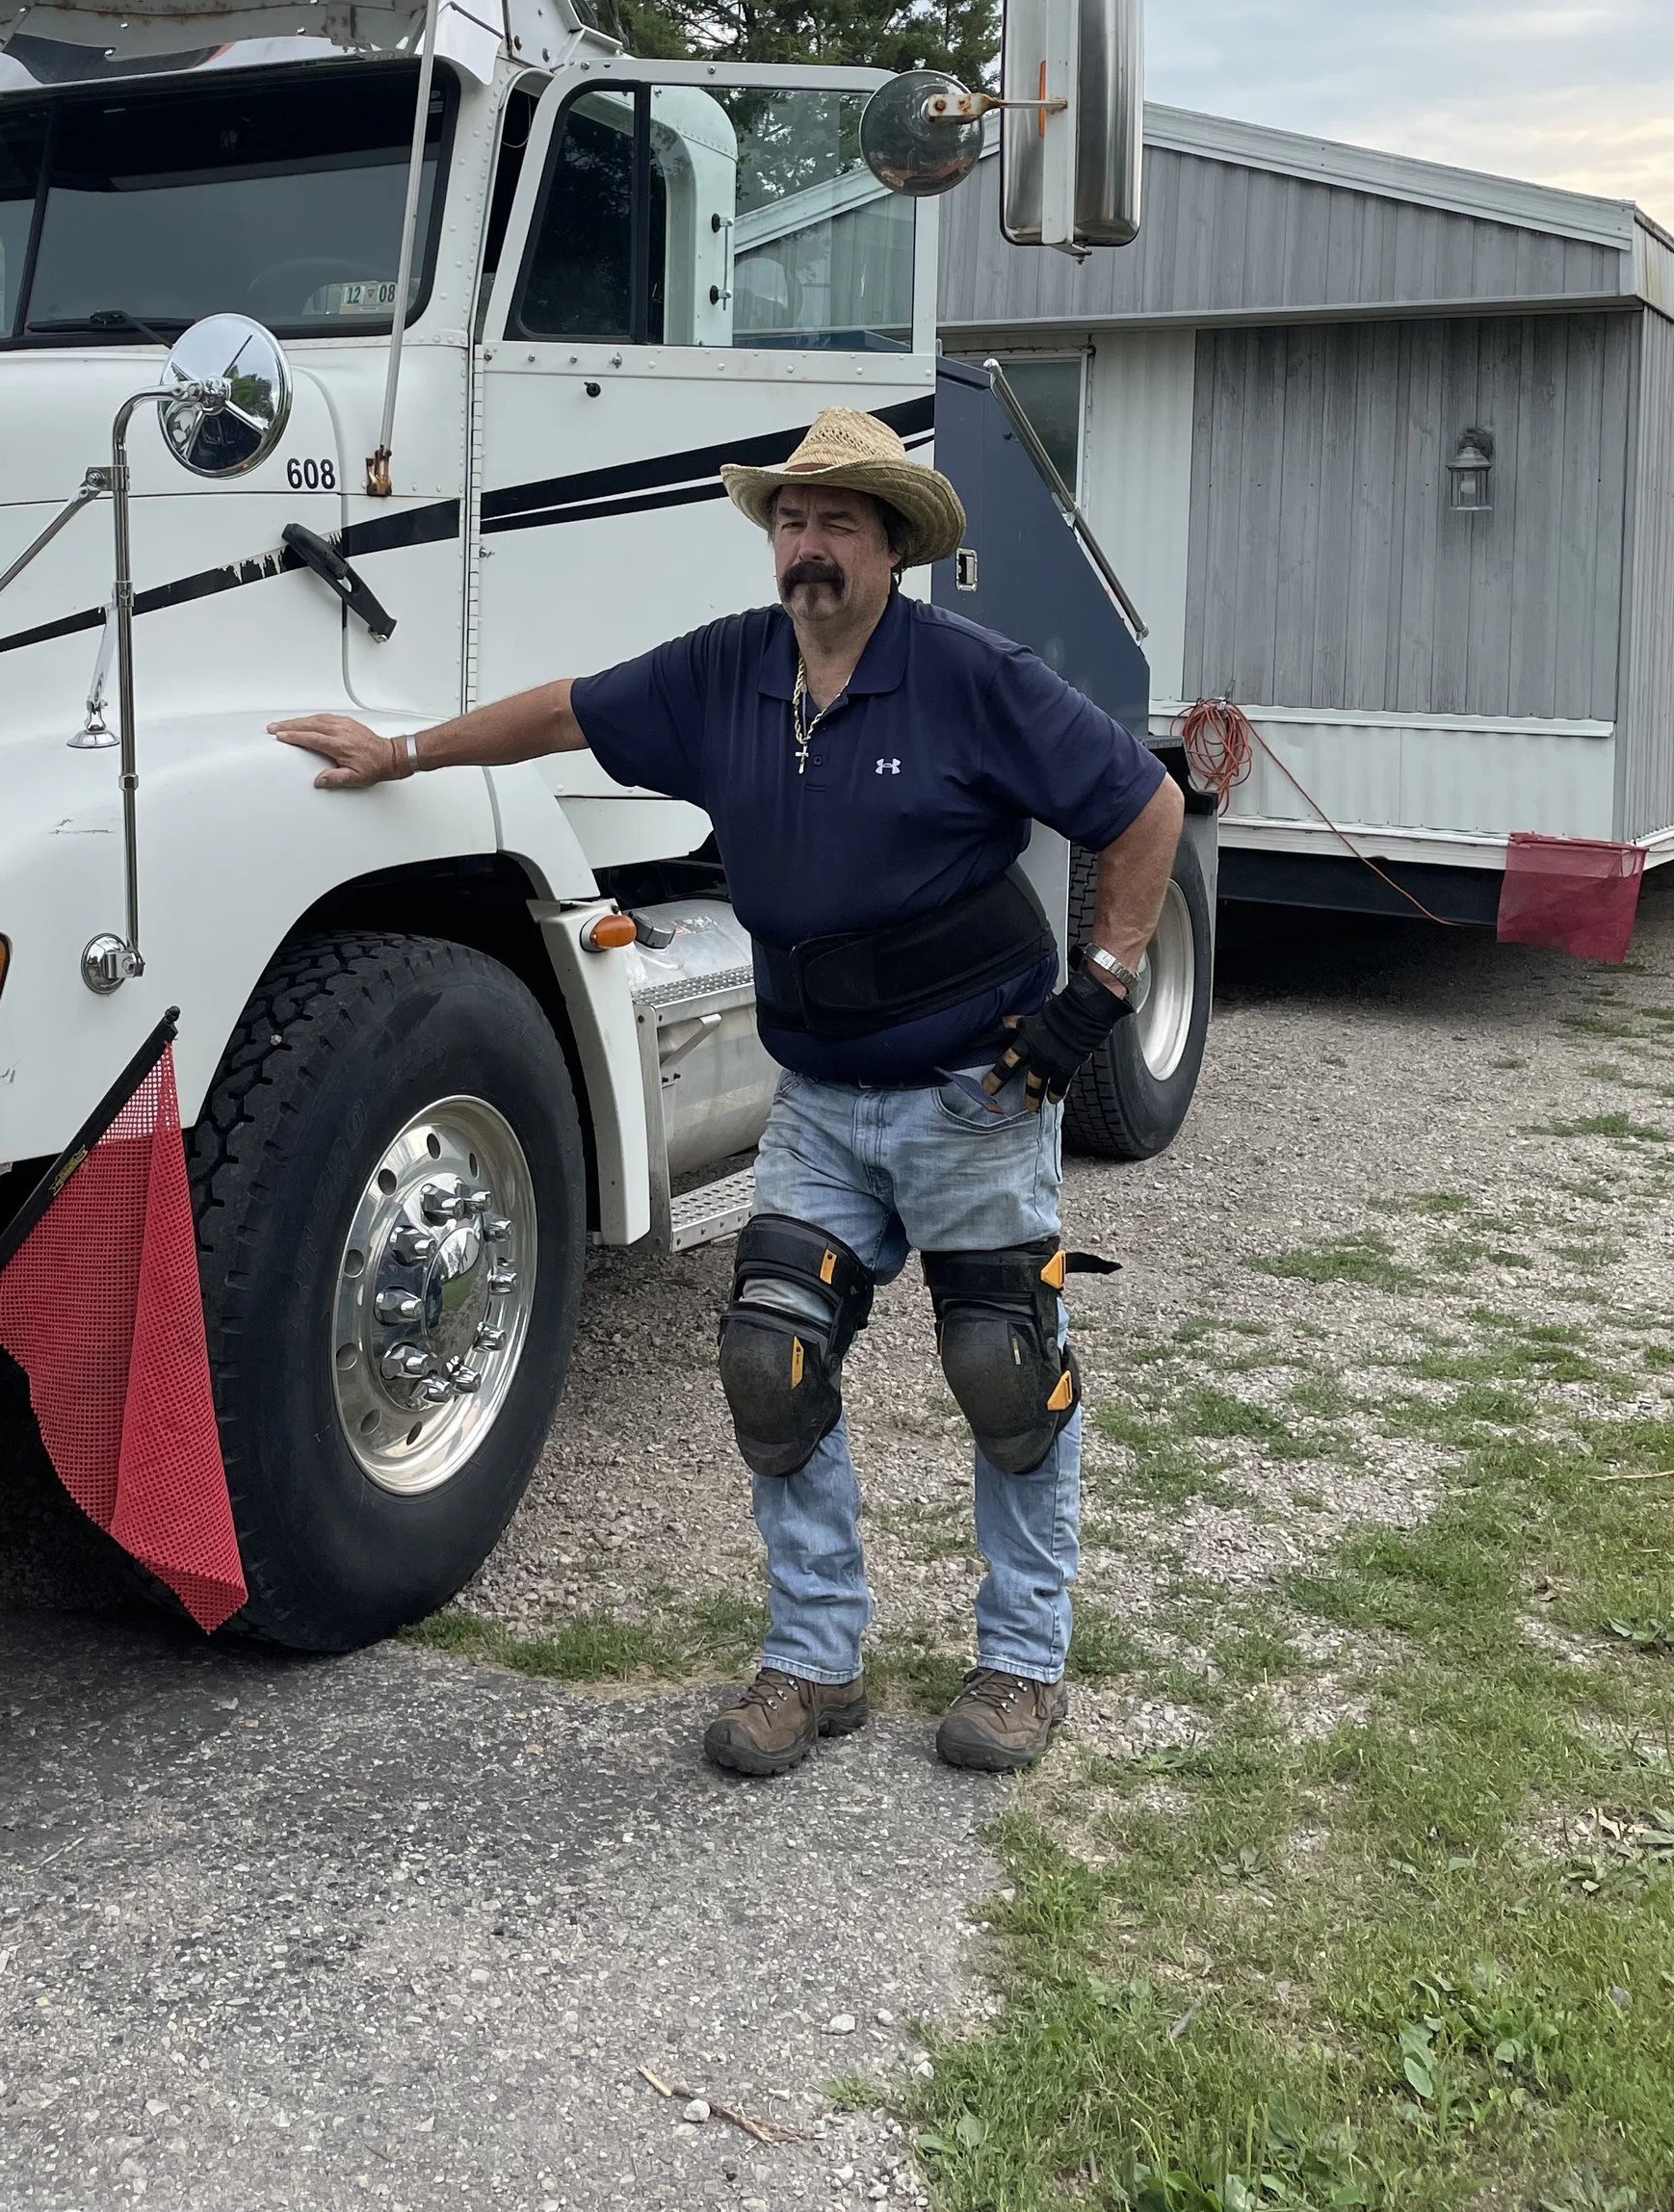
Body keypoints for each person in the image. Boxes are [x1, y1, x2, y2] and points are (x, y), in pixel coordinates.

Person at [270, 405, 1182, 1780]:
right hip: (819, 1093)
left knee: (1005, 1370)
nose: (811, 548)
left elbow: (1140, 803)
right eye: (794, 522)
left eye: (841, 525)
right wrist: (399, 755)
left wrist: (1103, 989)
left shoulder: (968, 678)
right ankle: (816, 1661)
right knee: (772, 1362)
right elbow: (567, 712)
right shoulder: (726, 676)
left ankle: (1022, 1664)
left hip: (975, 1088)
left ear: (891, 547)